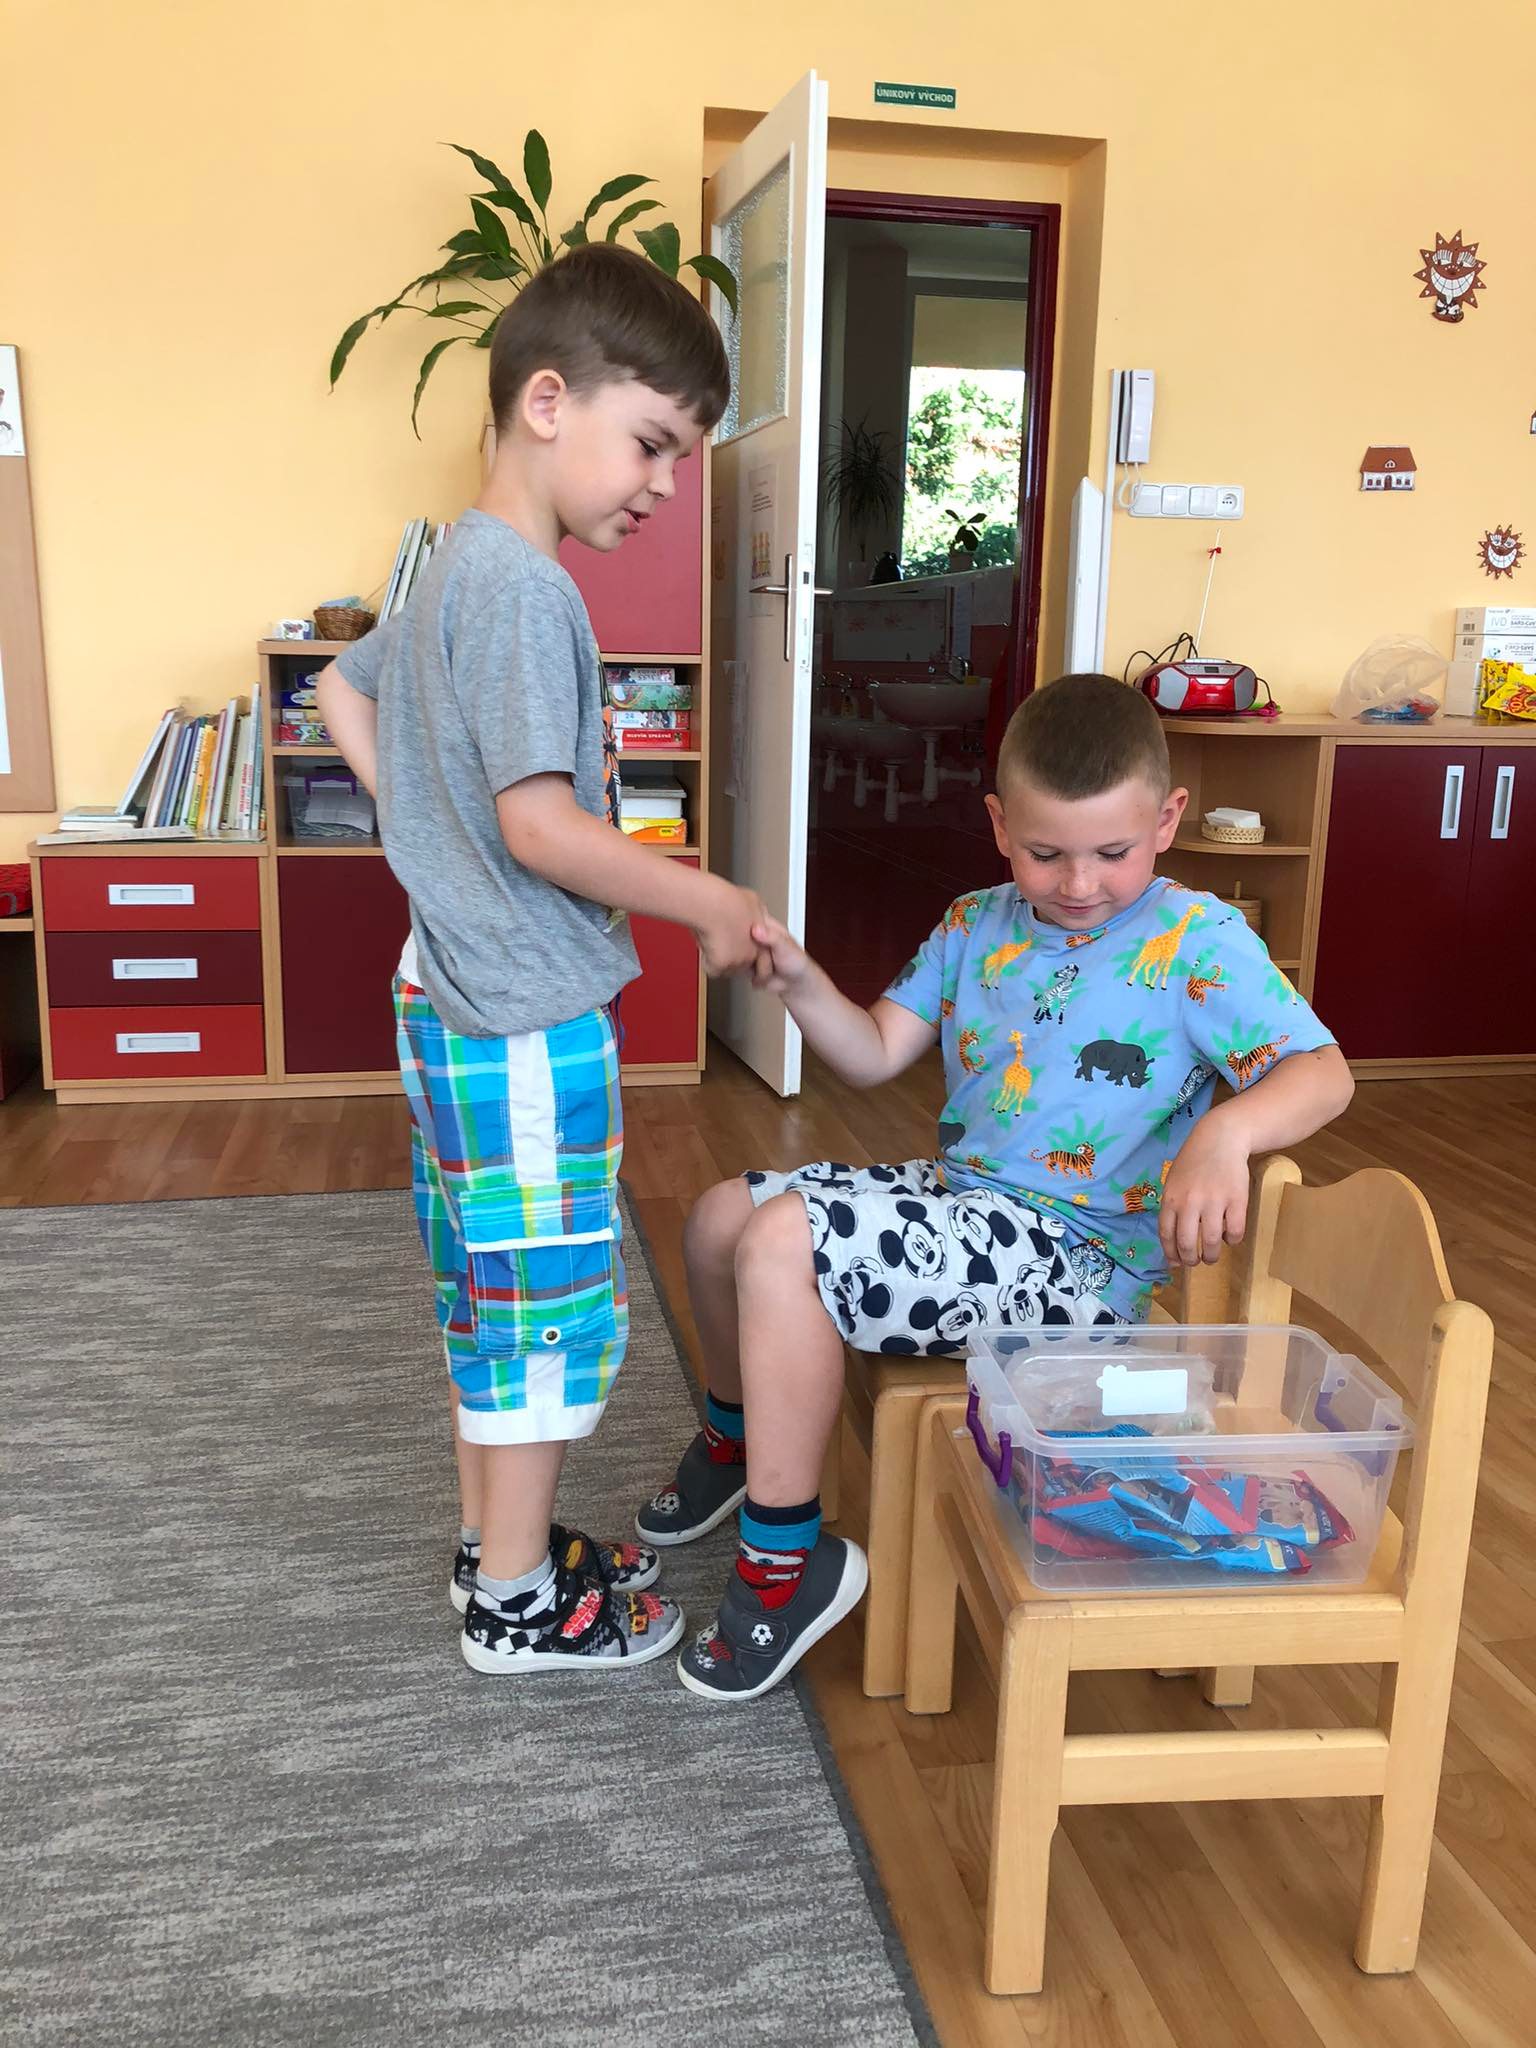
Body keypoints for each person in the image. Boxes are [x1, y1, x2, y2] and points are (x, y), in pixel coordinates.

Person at [643, 672, 1355, 1702]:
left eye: (1112, 852)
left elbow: (1325, 1071)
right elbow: (875, 1051)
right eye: (1046, 852)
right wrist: (799, 981)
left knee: (782, 1241)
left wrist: (1227, 1132)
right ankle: (734, 1435)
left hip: (1078, 1264)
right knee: (721, 1216)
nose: (1079, 883)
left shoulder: (1200, 940)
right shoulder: (976, 921)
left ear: (1166, 820)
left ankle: (785, 1566)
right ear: (999, 826)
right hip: (966, 1205)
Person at [316, 244, 765, 1674]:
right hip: (515, 1011)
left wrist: (422, 826)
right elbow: (540, 826)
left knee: (492, 1283)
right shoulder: (524, 591)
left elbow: (340, 686)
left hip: (450, 990)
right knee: (543, 1312)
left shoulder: (453, 563)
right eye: (654, 443)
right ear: (550, 401)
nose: (665, 483)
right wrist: (705, 899)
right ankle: (515, 1601)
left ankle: (490, 1549)